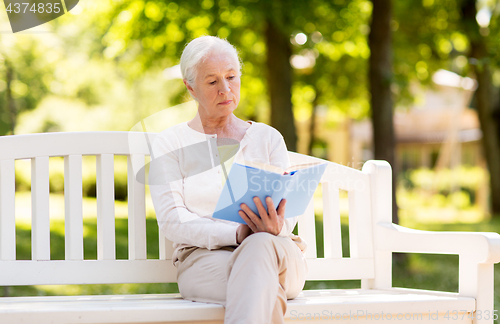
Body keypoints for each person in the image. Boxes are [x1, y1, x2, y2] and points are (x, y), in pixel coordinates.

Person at [149, 35, 308, 324]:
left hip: (278, 252)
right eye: (212, 82)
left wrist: (275, 226)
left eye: (232, 77)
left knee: (259, 249)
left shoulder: (268, 138)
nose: (226, 89)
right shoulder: (170, 143)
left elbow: (287, 212)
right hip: (204, 260)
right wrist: (237, 234)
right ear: (190, 87)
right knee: (260, 285)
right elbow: (172, 220)